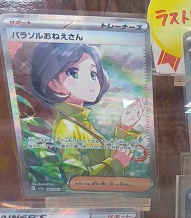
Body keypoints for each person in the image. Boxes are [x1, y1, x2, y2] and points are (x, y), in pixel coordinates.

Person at [28, 42, 146, 180]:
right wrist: (116, 162)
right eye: (74, 73)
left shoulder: (81, 123)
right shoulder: (67, 126)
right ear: (54, 84)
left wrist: (125, 127)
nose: (90, 82)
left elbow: (112, 158)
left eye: (93, 74)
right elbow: (75, 178)